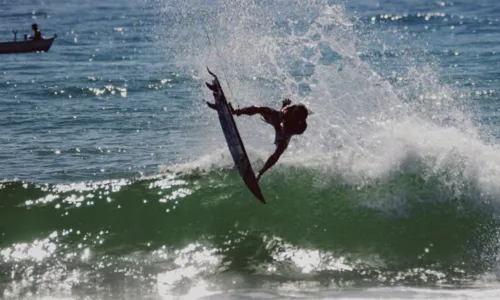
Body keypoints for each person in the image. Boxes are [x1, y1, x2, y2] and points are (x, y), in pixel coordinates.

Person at [207, 98, 308, 181]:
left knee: (277, 153)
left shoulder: (300, 127)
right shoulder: (288, 111)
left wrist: (281, 131)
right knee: (261, 109)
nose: (293, 113)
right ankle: (235, 112)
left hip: (285, 134)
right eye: (294, 111)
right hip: (277, 119)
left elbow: (284, 132)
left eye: (296, 115)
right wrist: (284, 105)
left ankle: (260, 173)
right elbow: (280, 118)